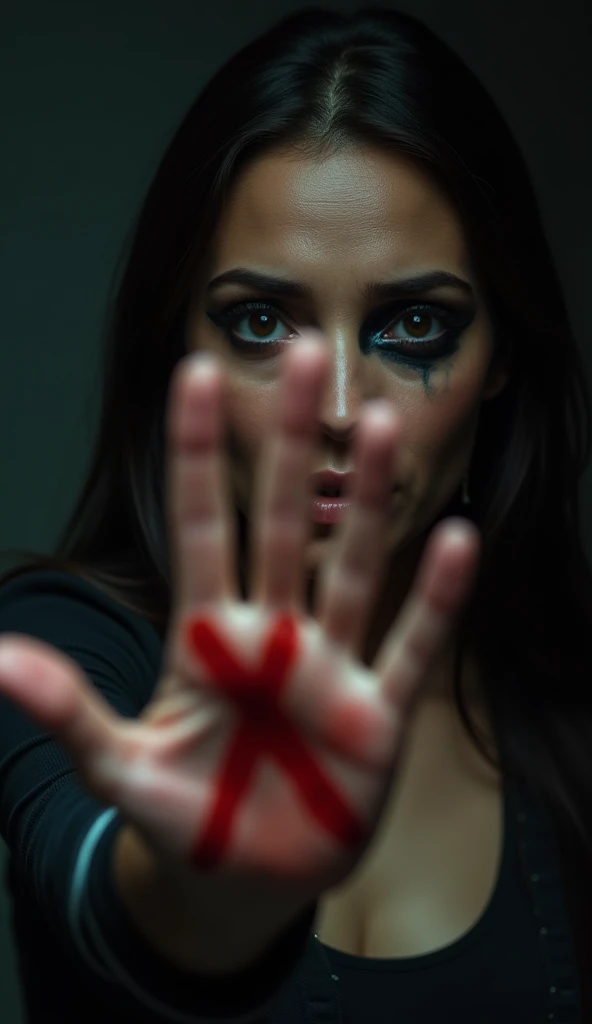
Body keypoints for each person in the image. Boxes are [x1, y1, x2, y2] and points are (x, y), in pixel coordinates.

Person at [0, 6, 591, 1022]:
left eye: (414, 324)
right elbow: (94, 874)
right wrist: (204, 892)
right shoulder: (59, 652)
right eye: (261, 321)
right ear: (175, 345)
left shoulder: (570, 690)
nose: (338, 411)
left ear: (502, 356)